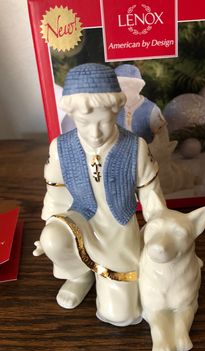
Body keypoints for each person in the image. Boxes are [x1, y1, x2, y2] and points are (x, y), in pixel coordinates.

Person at [34, 63, 166, 327]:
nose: (95, 133)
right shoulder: (61, 148)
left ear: (117, 110)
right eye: (85, 123)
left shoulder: (135, 147)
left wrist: (161, 229)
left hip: (118, 230)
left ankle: (110, 282)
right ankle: (79, 274)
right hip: (79, 221)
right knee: (53, 238)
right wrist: (50, 224)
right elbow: (56, 193)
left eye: (104, 122)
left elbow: (151, 196)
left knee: (122, 315)